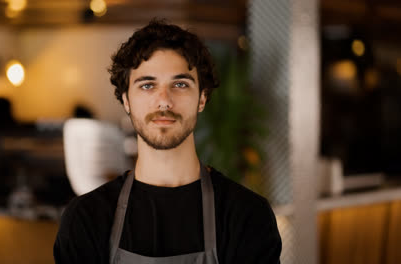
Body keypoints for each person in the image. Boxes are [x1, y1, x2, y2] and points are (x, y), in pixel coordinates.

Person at [54, 19, 282, 264]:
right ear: (127, 100)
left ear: (202, 98)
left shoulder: (246, 215)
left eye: (180, 84)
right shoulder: (86, 218)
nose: (164, 101)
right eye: (148, 85)